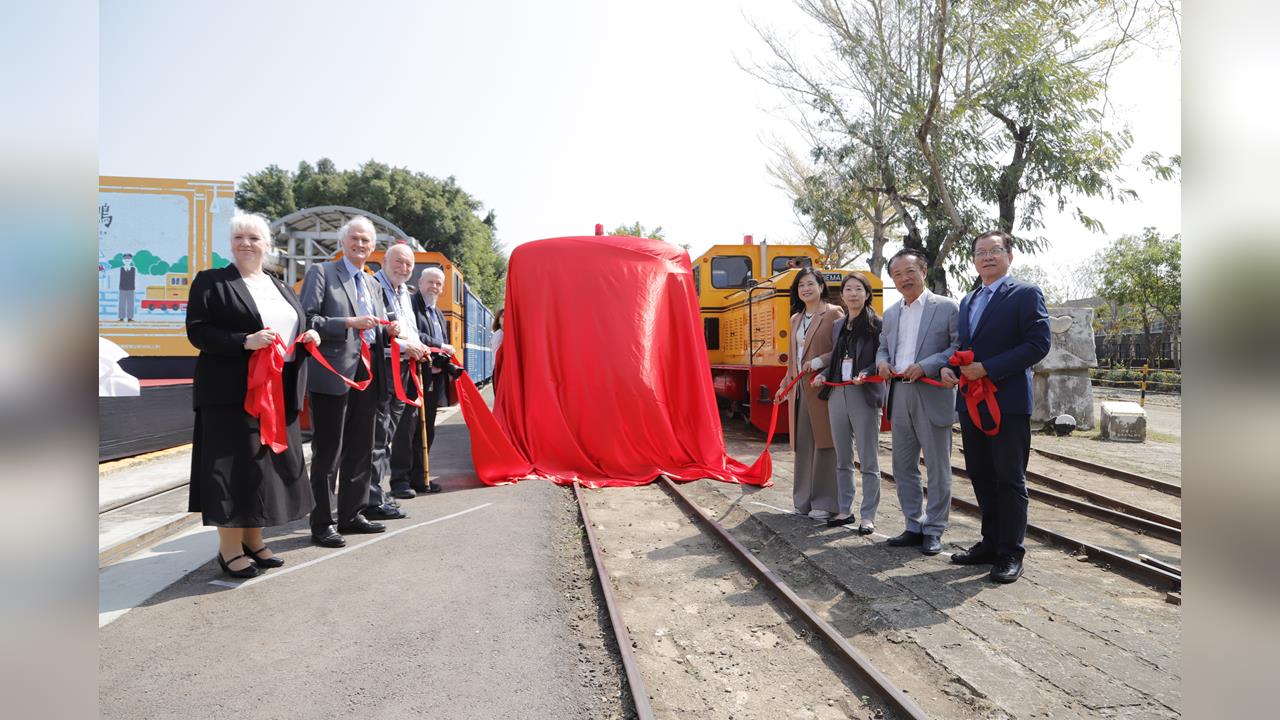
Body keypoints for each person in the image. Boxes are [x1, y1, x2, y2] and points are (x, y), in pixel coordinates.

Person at [186, 212, 319, 578]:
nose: (246, 243)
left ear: (267, 245)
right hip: (231, 394)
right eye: (239, 237)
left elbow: (297, 324)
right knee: (231, 471)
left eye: (254, 238)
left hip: (276, 394)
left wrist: (308, 337)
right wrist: (244, 342)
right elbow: (198, 333)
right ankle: (229, 549)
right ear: (230, 243)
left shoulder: (280, 286)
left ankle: (254, 539)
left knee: (262, 469)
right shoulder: (212, 282)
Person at [942, 230, 1050, 583]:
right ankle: (989, 543)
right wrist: (952, 368)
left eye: (995, 251)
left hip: (1007, 402)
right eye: (980, 252)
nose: (987, 257)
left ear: (1009, 256)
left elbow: (1037, 345)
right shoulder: (968, 300)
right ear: (973, 259)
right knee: (981, 474)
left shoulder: (1025, 294)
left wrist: (988, 368)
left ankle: (1010, 553)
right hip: (971, 402)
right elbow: (967, 348)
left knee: (1010, 478)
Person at [299, 216, 401, 548]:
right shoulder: (322, 273)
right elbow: (309, 318)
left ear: (373, 247)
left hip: (370, 373)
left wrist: (390, 330)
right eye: (354, 239)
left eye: (366, 241)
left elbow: (377, 327)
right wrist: (348, 322)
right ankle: (323, 522)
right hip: (333, 373)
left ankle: (352, 513)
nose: (360, 245)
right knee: (329, 451)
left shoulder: (372, 283)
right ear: (343, 242)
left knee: (361, 446)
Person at [876, 249, 959, 556]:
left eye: (909, 271)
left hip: (932, 391)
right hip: (899, 394)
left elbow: (958, 346)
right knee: (903, 465)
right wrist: (882, 362)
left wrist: (928, 364)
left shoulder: (948, 307)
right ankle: (914, 523)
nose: (903, 278)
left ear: (924, 271)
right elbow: (883, 348)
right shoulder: (892, 313)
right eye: (896, 274)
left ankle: (935, 528)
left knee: (938, 466)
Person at [817, 272, 886, 533]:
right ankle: (845, 509)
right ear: (842, 295)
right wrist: (823, 375)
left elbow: (882, 356)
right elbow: (836, 359)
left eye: (859, 289)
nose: (853, 294)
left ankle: (868, 515)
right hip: (838, 393)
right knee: (842, 457)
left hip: (864, 393)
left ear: (867, 294)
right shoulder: (839, 325)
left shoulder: (876, 323)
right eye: (848, 290)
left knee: (868, 458)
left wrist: (867, 372)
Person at [774, 267, 845, 519]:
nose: (805, 289)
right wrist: (784, 384)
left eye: (810, 284)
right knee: (803, 445)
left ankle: (826, 503)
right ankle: (802, 501)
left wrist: (818, 362)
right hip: (799, 391)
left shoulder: (834, 313)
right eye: (801, 285)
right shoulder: (795, 318)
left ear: (821, 287)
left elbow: (841, 350)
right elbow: (793, 359)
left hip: (822, 387)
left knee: (825, 443)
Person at [368, 243, 428, 512]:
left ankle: (377, 492)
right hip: (383, 369)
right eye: (398, 262)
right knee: (378, 436)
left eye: (408, 265)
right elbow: (377, 332)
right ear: (384, 262)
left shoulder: (404, 292)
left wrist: (418, 346)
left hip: (403, 368)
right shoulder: (375, 288)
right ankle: (372, 496)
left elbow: (408, 329)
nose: (403, 268)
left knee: (389, 434)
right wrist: (407, 346)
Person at [391, 267, 455, 495]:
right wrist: (440, 346)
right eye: (430, 282)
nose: (434, 287)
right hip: (413, 376)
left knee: (427, 431)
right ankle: (400, 480)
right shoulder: (411, 304)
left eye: (438, 284)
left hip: (432, 380)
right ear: (420, 283)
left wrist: (443, 351)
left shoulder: (437, 312)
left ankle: (420, 477)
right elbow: (413, 333)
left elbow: (441, 341)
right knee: (406, 430)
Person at [117, 253, 137, 321]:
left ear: (131, 260)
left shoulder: (133, 269)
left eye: (129, 258)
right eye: (125, 259)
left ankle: (130, 317)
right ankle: (121, 317)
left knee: (130, 304)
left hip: (131, 288)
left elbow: (134, 279)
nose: (127, 260)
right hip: (122, 288)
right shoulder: (121, 269)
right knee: (122, 303)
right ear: (123, 260)